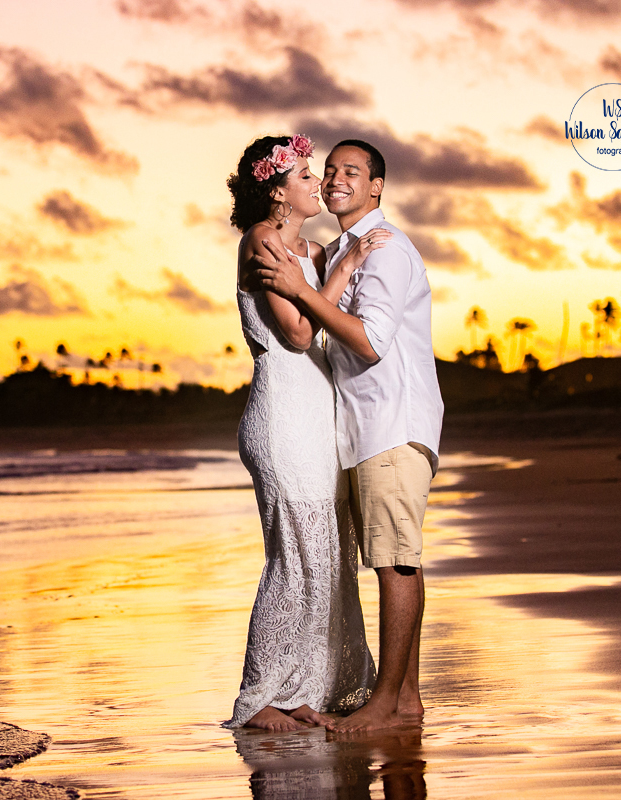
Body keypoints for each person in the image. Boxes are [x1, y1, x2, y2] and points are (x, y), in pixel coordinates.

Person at [252, 139, 444, 733]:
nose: (334, 179)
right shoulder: (341, 249)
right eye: (327, 170)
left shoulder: (384, 250)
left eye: (350, 172)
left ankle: (385, 703)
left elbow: (370, 340)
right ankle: (403, 697)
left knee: (394, 562)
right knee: (394, 557)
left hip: (391, 425)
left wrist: (312, 289)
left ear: (377, 186)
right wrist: (333, 270)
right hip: (361, 429)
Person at [224, 135, 390, 732]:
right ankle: (263, 695)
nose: (317, 183)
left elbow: (330, 320)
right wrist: (343, 268)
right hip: (281, 414)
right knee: (293, 553)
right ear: (276, 189)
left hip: (321, 413)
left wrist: (333, 263)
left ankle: (312, 686)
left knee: (327, 554)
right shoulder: (261, 241)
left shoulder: (310, 247)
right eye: (303, 175)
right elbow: (297, 333)